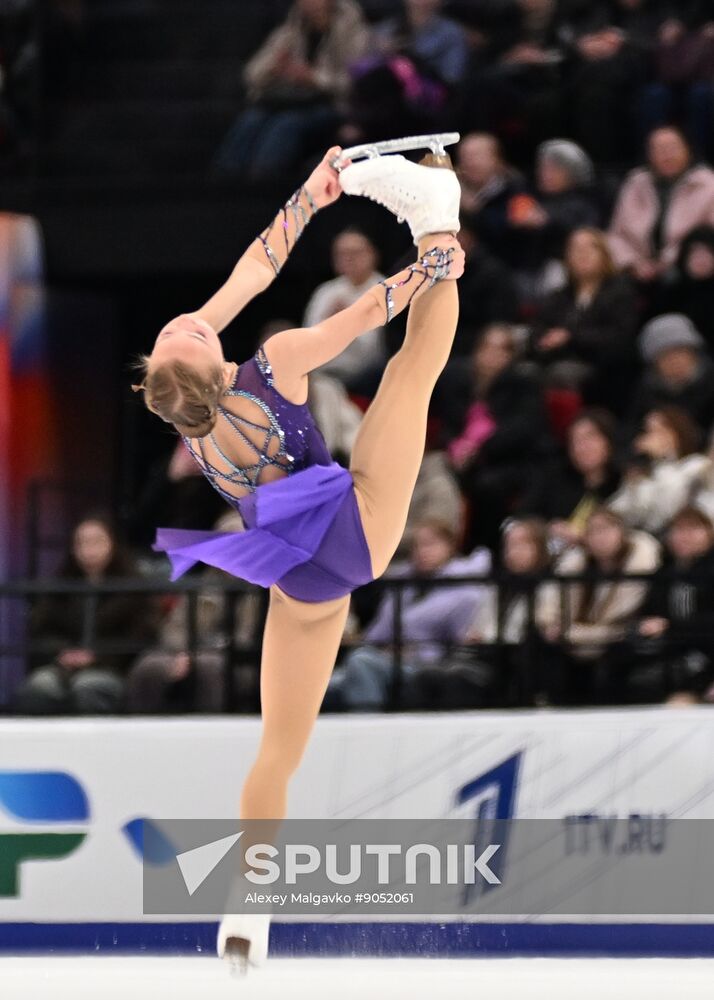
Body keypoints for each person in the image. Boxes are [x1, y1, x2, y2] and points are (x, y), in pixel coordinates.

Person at [132, 144, 464, 967]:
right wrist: (433, 264)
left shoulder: (186, 407)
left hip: (298, 574)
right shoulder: (271, 366)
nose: (186, 321)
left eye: (181, 326)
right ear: (209, 364)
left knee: (278, 747)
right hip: (354, 525)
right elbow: (361, 319)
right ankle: (439, 208)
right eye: (187, 333)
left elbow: (253, 269)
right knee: (407, 378)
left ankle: (249, 909)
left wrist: (310, 198)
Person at [324, 518, 490, 711]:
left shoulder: (466, 590)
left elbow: (462, 644)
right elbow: (376, 635)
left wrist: (414, 651)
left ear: (450, 546)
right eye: (417, 545)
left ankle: (368, 728)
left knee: (361, 663)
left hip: (428, 667)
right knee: (320, 686)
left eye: (430, 544)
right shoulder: (401, 584)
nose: (422, 551)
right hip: (387, 659)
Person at [14, 515, 159, 715]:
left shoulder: (133, 589)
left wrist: (96, 657)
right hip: (61, 668)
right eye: (81, 542)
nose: (89, 550)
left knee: (89, 688)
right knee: (38, 688)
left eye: (97, 542)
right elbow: (40, 631)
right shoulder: (61, 588)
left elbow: (140, 639)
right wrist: (62, 652)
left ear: (113, 544)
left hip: (112, 669)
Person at [212, 0, 369, 179]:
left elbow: (356, 81)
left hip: (332, 104)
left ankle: (261, 186)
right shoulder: (290, 31)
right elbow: (252, 74)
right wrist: (274, 68)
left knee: (286, 125)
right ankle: (224, 184)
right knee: (251, 120)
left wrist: (312, 77)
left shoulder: (353, 32)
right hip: (288, 101)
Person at [438, 322, 550, 549]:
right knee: (435, 474)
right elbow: (447, 425)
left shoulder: (523, 384)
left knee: (487, 486)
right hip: (465, 462)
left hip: (512, 461)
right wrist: (454, 448)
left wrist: (479, 449)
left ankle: (482, 549)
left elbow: (524, 429)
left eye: (501, 349)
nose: (492, 355)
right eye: (487, 347)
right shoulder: (459, 384)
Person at [539, 507, 660, 704]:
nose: (599, 537)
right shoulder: (575, 565)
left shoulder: (639, 565)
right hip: (575, 643)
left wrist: (571, 633)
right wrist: (550, 625)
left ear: (622, 532)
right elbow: (551, 603)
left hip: (617, 640)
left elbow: (618, 623)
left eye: (606, 529)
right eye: (593, 531)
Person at [610, 505, 714, 705]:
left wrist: (670, 626)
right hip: (673, 654)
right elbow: (652, 612)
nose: (684, 537)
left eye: (692, 530)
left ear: (708, 533)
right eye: (678, 530)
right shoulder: (665, 573)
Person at [530, 227, 639, 407]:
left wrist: (570, 338)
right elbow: (538, 328)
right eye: (576, 248)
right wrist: (544, 340)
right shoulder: (559, 296)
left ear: (605, 255)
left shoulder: (620, 293)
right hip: (554, 359)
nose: (583, 254)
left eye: (591, 247)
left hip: (601, 366)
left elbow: (620, 339)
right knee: (525, 373)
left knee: (562, 374)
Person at [462, 517, 556, 707]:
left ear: (540, 548)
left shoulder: (549, 586)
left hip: (518, 663)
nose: (514, 552)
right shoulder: (498, 586)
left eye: (522, 544)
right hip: (487, 655)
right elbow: (478, 627)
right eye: (510, 545)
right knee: (436, 675)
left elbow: (540, 626)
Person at [608, 126, 714, 285]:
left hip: (685, 269)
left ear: (688, 149)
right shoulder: (636, 183)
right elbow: (617, 234)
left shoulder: (708, 184)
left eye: (672, 148)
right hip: (637, 268)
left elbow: (708, 237)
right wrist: (633, 264)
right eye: (658, 149)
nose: (666, 155)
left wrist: (668, 262)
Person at [520, 408, 622, 551]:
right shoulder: (555, 479)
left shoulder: (623, 482)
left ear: (608, 441)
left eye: (589, 438)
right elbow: (525, 515)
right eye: (575, 441)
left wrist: (585, 538)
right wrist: (550, 528)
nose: (582, 447)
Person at [302, 228, 386, 388]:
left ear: (372, 254)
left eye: (355, 253)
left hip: (367, 373)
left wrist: (347, 322)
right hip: (323, 371)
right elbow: (307, 337)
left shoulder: (386, 290)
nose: (349, 259)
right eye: (342, 254)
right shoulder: (326, 292)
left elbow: (377, 349)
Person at [610, 405, 710, 534]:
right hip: (642, 534)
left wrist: (663, 459)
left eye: (659, 431)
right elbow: (622, 512)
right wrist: (634, 480)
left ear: (677, 433)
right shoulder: (644, 471)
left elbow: (667, 511)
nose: (651, 438)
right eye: (648, 431)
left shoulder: (696, 465)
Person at [626, 313, 714, 438]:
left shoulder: (710, 383)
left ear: (693, 352)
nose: (675, 361)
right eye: (665, 356)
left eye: (680, 351)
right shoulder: (647, 392)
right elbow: (633, 429)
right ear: (655, 364)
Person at [657, 224, 714, 346]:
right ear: (684, 255)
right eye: (695, 251)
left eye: (708, 252)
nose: (701, 259)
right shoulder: (669, 293)